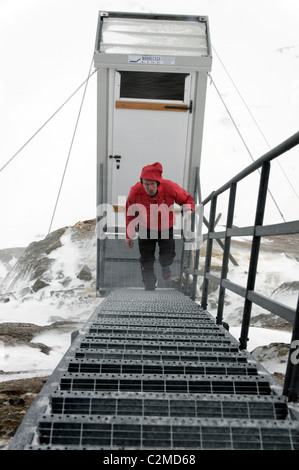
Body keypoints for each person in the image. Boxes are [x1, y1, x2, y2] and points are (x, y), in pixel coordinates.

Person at [125, 162, 195, 290]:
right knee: (146, 259)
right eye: (146, 184)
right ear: (142, 183)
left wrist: (188, 210)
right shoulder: (135, 191)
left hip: (165, 227)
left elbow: (186, 198)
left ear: (158, 182)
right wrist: (129, 234)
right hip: (145, 228)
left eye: (152, 184)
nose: (149, 187)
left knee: (167, 254)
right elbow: (130, 213)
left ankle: (165, 265)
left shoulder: (169, 187)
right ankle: (149, 284)